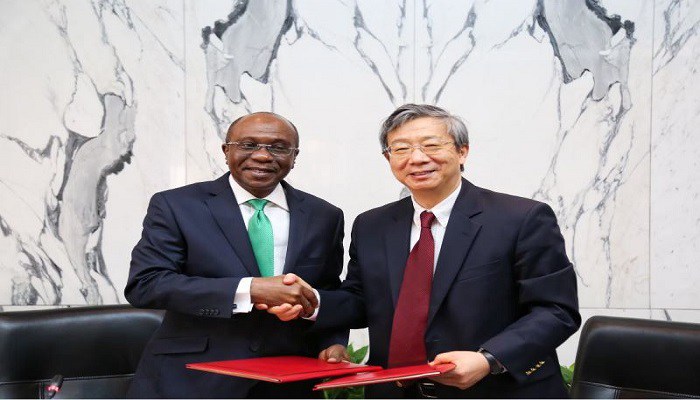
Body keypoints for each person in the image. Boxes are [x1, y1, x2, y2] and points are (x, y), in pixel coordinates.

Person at [269, 104, 581, 398]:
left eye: (431, 145)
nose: (417, 158)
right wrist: (311, 302)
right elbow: (361, 300)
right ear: (388, 158)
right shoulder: (372, 225)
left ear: (462, 151)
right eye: (401, 149)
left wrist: (488, 359)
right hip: (395, 391)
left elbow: (555, 310)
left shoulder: (521, 218)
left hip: (496, 390)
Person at [124, 112, 346, 398]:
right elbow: (146, 284)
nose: (263, 156)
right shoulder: (176, 205)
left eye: (278, 147)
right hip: (192, 380)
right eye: (248, 145)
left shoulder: (324, 215)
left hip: (287, 382)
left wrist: (333, 340)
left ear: (294, 156)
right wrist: (250, 290)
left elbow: (328, 292)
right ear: (226, 151)